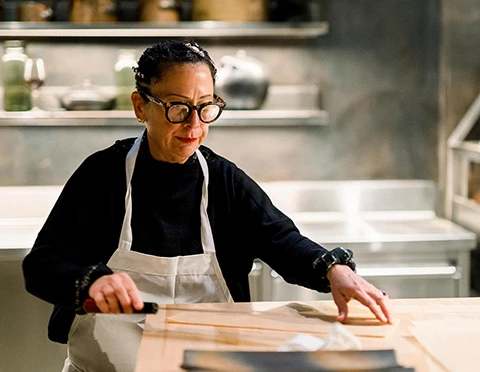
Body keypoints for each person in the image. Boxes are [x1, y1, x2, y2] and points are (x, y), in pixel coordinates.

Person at [22, 40, 393, 372]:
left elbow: (281, 240)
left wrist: (331, 269)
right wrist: (90, 284)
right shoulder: (101, 175)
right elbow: (41, 265)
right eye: (178, 108)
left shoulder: (224, 181)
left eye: (206, 107)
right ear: (140, 106)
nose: (194, 125)